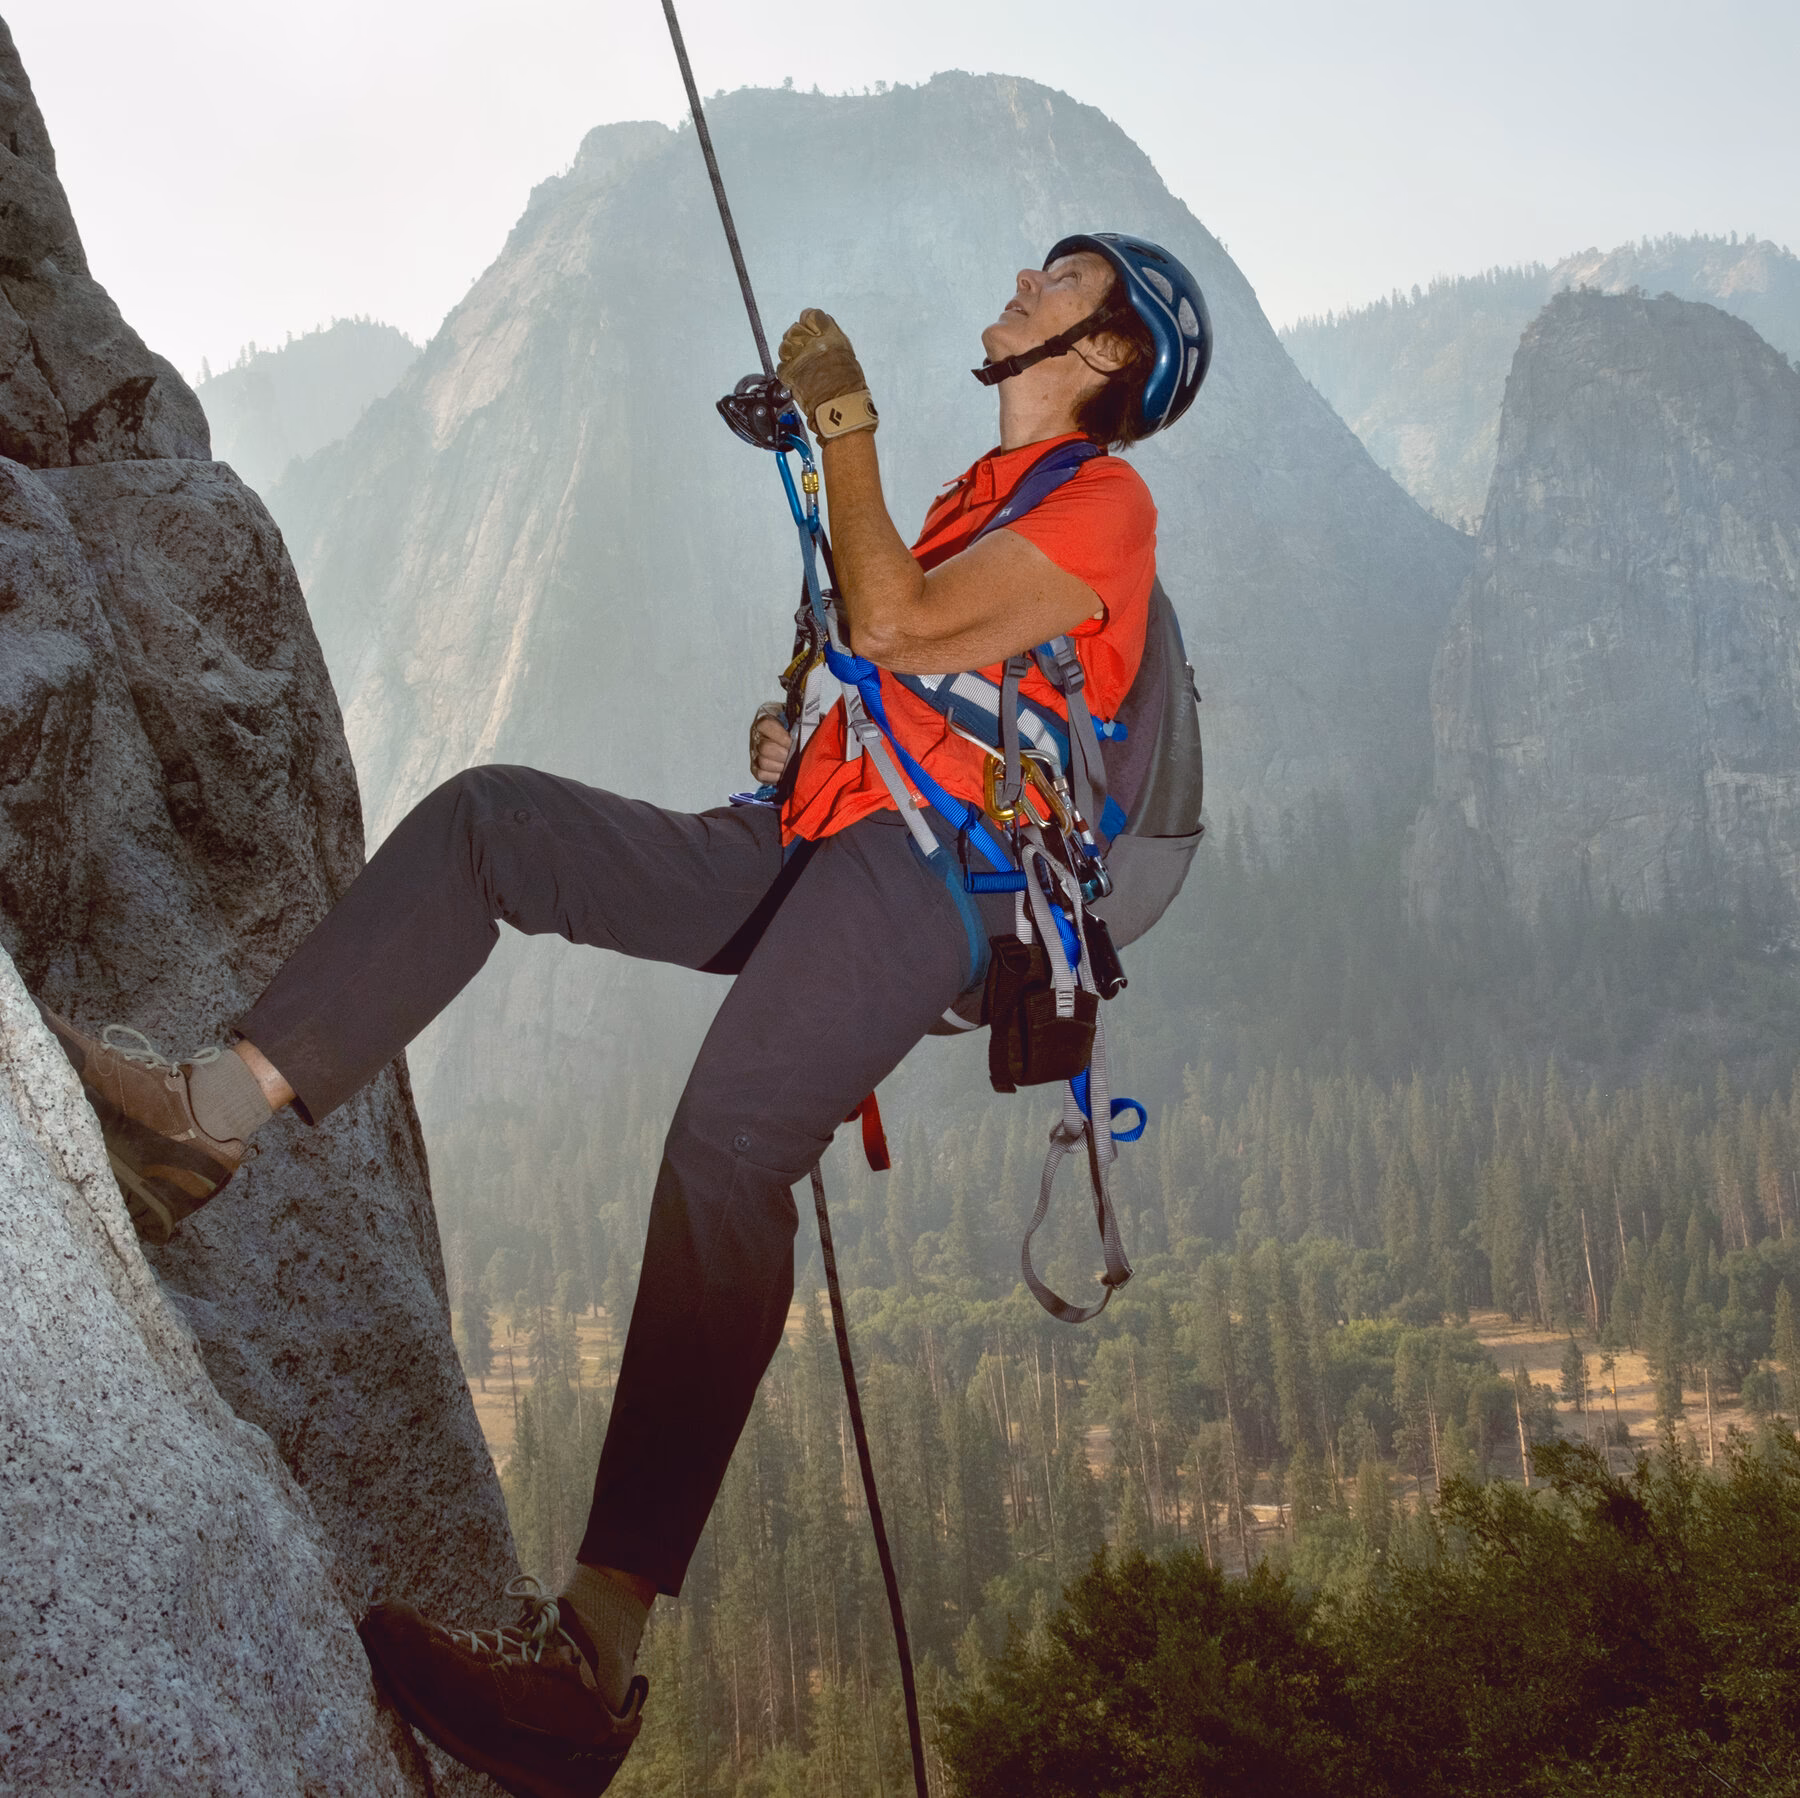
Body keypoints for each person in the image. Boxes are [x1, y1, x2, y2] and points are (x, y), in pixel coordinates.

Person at [39, 232, 1209, 1798]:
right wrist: (813, 735)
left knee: (730, 1148)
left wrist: (843, 426)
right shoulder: (982, 501)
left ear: (1113, 353)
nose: (1023, 279)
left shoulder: (1107, 506)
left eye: (1061, 278)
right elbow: (907, 646)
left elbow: (902, 624)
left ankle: (589, 1659)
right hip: (826, 835)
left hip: (930, 880)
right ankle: (209, 1121)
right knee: (491, 825)